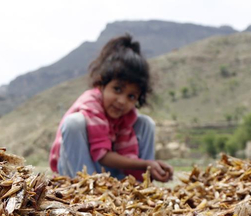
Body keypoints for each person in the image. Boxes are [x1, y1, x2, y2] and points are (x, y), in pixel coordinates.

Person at [49, 34, 173, 182]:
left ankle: (141, 186)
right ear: (101, 84)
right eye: (117, 89)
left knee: (146, 123)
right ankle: (87, 188)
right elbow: (102, 155)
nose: (122, 101)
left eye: (131, 96)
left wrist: (152, 169)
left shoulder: (127, 115)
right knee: (74, 122)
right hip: (78, 170)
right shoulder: (91, 104)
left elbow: (126, 153)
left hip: (107, 173)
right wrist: (145, 164)